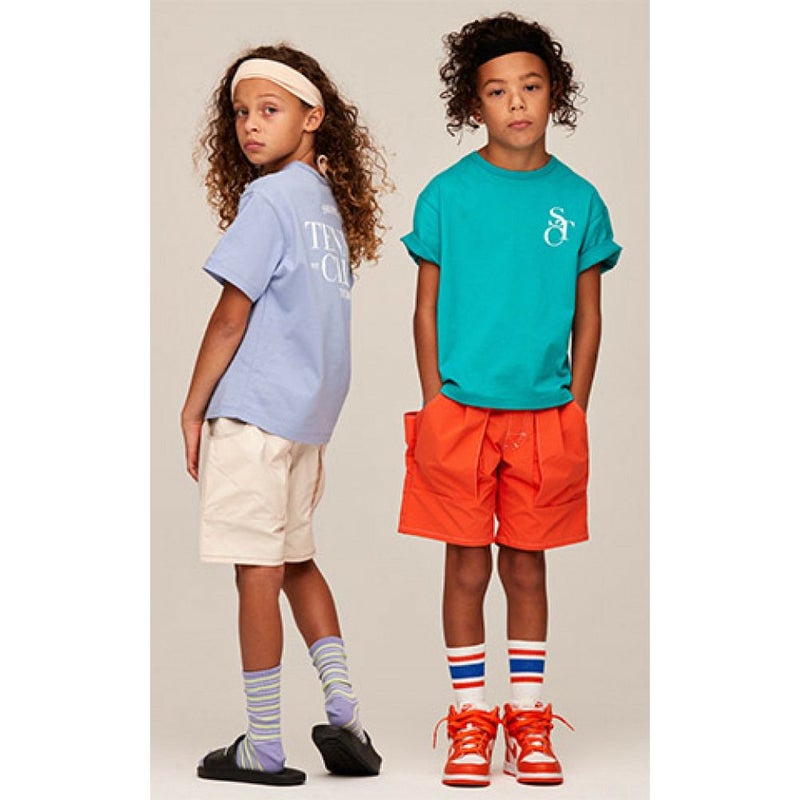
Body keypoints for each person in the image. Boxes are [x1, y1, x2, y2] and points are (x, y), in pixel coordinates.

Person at [399, 12, 622, 788]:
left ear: (554, 93)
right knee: (466, 566)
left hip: (545, 416)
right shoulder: (446, 195)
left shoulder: (580, 199)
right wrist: (434, 402)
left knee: (526, 567)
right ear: (474, 104)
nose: (516, 102)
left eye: (530, 86)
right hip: (459, 413)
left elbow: (589, 314)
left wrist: (575, 407)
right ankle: (469, 723)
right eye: (497, 91)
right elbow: (425, 308)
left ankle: (527, 722)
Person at [181, 43, 390, 786]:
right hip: (307, 422)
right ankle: (345, 710)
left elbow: (230, 315)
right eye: (241, 112)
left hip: (255, 414)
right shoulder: (324, 206)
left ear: (312, 117)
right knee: (298, 561)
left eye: (269, 110)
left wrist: (192, 407)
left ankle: (263, 743)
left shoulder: (269, 200)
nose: (249, 125)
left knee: (257, 574)